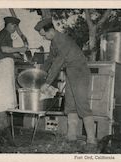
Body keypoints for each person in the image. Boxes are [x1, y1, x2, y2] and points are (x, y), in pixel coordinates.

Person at [34, 18, 97, 146]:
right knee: (70, 105)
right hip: (71, 72)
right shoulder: (53, 42)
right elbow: (50, 59)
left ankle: (91, 139)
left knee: (82, 104)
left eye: (44, 35)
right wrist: (40, 73)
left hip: (79, 71)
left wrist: (47, 82)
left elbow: (58, 63)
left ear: (50, 30)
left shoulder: (62, 40)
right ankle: (71, 136)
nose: (44, 38)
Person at [0, 17, 27, 130]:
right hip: (3, 67)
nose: (15, 29)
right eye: (14, 26)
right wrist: (20, 48)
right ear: (9, 25)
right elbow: (4, 49)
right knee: (4, 97)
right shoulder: (4, 33)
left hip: (6, 66)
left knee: (7, 96)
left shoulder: (6, 35)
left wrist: (19, 55)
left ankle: (4, 125)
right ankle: (0, 125)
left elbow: (9, 51)